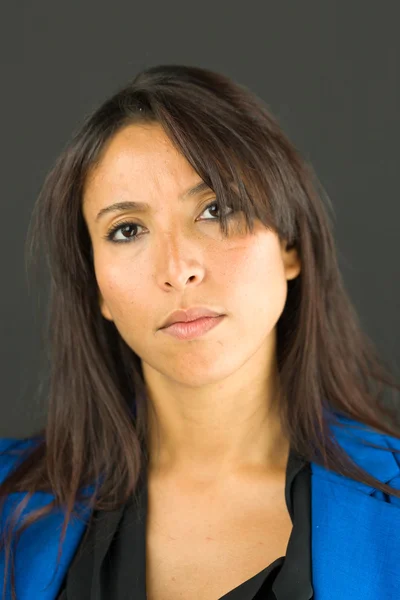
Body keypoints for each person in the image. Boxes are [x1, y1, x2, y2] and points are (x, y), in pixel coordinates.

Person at [0, 64, 400, 600]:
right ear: (97, 288)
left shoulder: (388, 506)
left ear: (289, 245)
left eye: (215, 209)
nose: (177, 267)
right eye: (127, 230)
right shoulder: (11, 510)